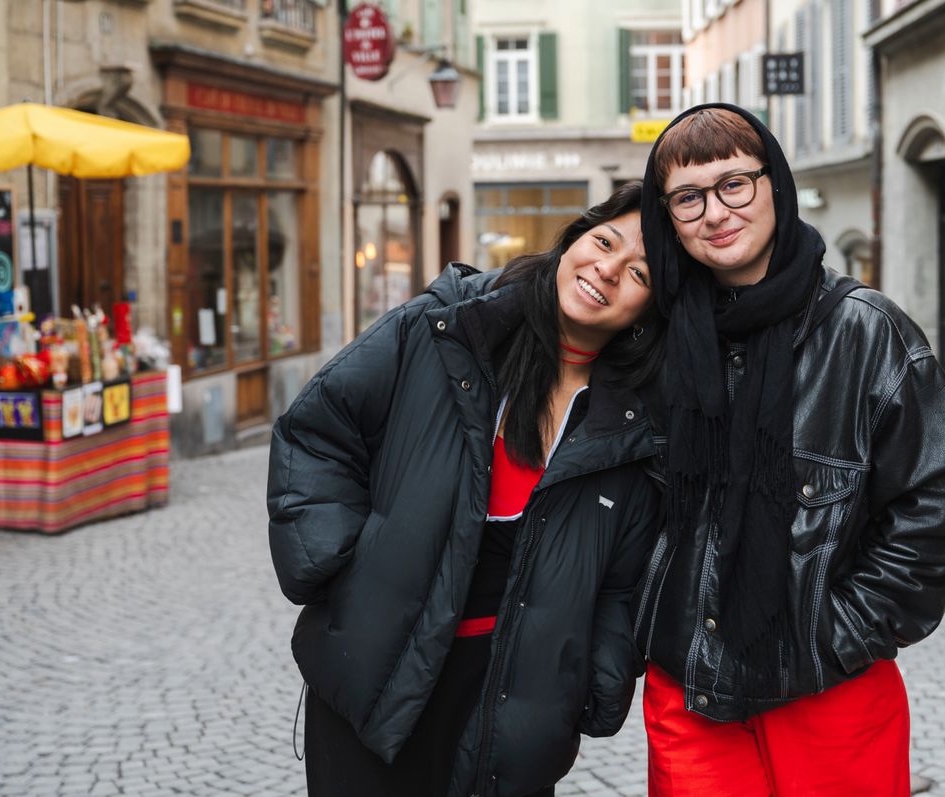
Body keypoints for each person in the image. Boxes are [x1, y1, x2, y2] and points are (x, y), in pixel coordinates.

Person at [632, 104, 945, 795]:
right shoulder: (656, 339)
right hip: (689, 688)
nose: (716, 212)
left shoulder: (865, 331)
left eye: (735, 183)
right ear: (667, 216)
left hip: (828, 688)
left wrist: (840, 632)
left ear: (775, 184)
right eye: (688, 197)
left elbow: (942, 504)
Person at [267, 182, 664, 797]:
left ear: (651, 309)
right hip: (380, 673)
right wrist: (339, 572)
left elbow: (623, 582)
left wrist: (594, 681)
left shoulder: (634, 425)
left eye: (638, 273)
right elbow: (318, 431)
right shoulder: (447, 328)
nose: (607, 271)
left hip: (512, 703)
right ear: (576, 237)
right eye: (605, 242)